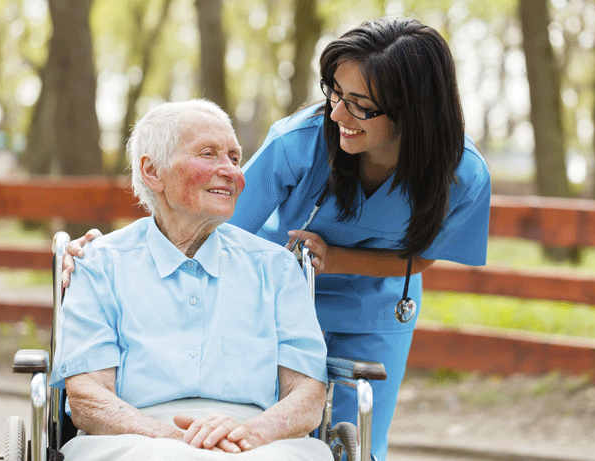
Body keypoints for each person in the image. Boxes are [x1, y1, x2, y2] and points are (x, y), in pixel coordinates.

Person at [64, 17, 491, 461]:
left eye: (359, 104)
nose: (337, 114)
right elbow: (205, 221)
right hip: (265, 291)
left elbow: (420, 257)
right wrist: (108, 255)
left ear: (412, 110)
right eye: (336, 93)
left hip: (372, 303)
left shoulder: (463, 174)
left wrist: (334, 259)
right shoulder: (299, 143)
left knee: (357, 444)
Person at [50, 99, 333, 461]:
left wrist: (249, 433)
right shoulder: (100, 264)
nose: (231, 171)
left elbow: (308, 396)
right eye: (208, 154)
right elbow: (89, 398)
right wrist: (175, 440)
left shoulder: (276, 267)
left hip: (262, 439)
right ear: (152, 171)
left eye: (234, 157)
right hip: (132, 436)